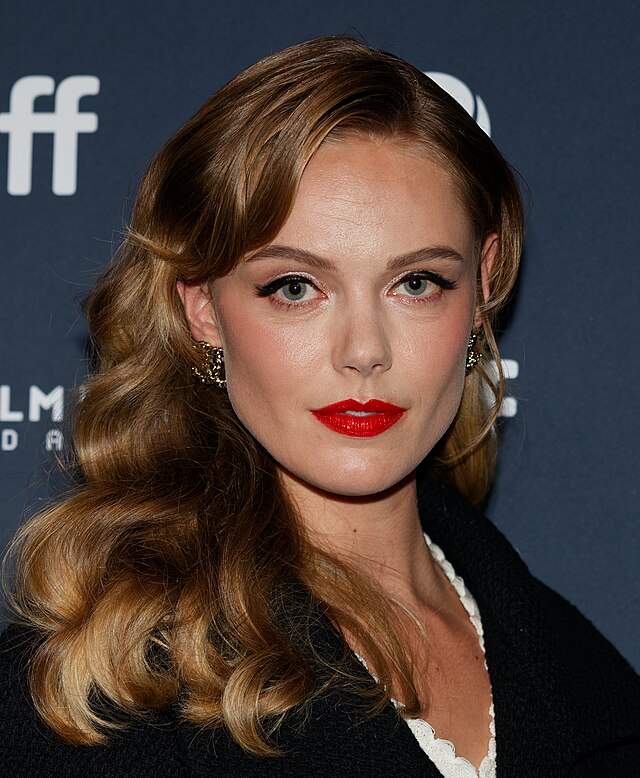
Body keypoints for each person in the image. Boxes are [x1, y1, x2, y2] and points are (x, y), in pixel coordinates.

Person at [1, 36, 638, 778]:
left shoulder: (586, 679)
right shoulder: (94, 690)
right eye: (295, 287)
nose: (364, 351)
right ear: (203, 309)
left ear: (482, 287)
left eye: (418, 283)